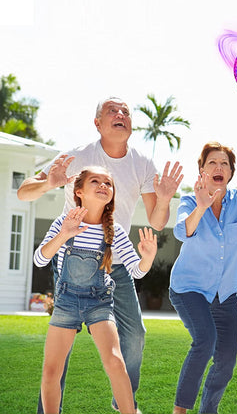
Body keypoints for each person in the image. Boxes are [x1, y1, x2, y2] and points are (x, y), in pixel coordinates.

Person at [17, 97, 183, 414]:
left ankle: (124, 406)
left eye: (125, 112)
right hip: (71, 258)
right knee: (56, 357)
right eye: (112, 111)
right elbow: (25, 192)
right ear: (98, 123)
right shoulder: (77, 156)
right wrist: (48, 183)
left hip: (115, 258)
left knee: (134, 336)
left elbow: (157, 221)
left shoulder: (143, 164)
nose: (120, 115)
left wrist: (163, 199)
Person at [34, 166, 158, 414]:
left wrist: (148, 258)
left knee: (114, 361)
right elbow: (39, 259)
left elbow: (135, 270)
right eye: (95, 181)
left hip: (99, 303)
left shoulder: (115, 231)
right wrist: (64, 234)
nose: (103, 185)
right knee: (51, 370)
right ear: (78, 191)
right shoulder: (64, 222)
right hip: (66, 302)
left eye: (108, 183)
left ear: (112, 194)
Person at [169, 141, 237, 414]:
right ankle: (179, 411)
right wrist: (203, 206)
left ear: (230, 172)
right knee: (205, 341)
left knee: (226, 361)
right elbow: (183, 231)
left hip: (226, 292)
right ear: (202, 170)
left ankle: (208, 411)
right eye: (212, 163)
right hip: (189, 288)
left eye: (224, 164)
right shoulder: (191, 200)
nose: (218, 167)